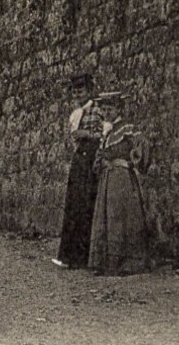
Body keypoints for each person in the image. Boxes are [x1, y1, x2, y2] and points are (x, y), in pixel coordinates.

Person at [54, 91, 120, 268]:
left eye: (82, 90)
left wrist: (87, 135)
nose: (78, 94)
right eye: (76, 91)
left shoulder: (98, 110)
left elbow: (107, 134)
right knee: (75, 203)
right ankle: (71, 256)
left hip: (92, 158)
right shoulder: (79, 112)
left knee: (87, 204)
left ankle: (86, 256)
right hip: (81, 159)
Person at [89, 121, 152, 276]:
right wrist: (102, 162)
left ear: (118, 108)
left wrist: (130, 162)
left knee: (122, 217)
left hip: (122, 179)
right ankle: (106, 263)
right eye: (104, 109)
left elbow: (142, 144)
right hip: (107, 179)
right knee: (106, 217)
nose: (107, 112)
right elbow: (99, 157)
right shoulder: (107, 133)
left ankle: (127, 263)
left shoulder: (127, 129)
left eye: (110, 108)